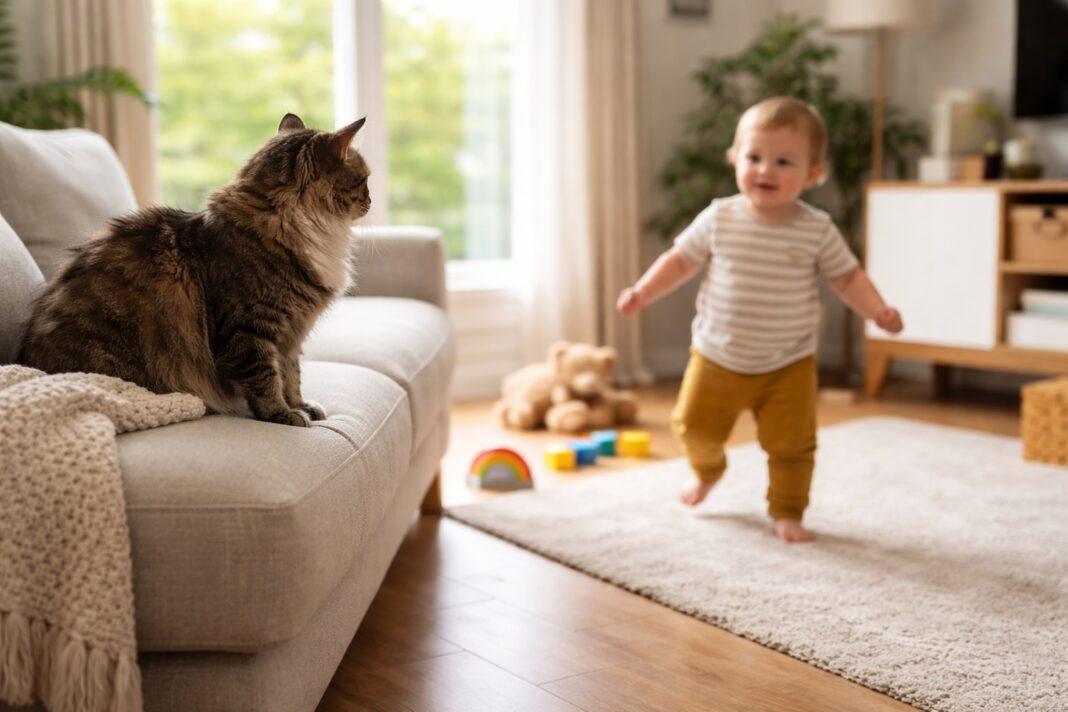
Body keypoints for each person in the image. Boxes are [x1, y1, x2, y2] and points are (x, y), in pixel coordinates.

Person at [617, 97, 903, 543]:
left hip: (787, 363)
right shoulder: (720, 217)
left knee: (793, 446)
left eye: (783, 161)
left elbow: (848, 278)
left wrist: (877, 310)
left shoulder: (817, 229)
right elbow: (679, 261)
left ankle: (787, 511)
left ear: (811, 174)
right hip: (717, 355)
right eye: (754, 158)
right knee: (691, 425)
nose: (765, 170)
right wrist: (642, 291)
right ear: (735, 160)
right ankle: (709, 470)